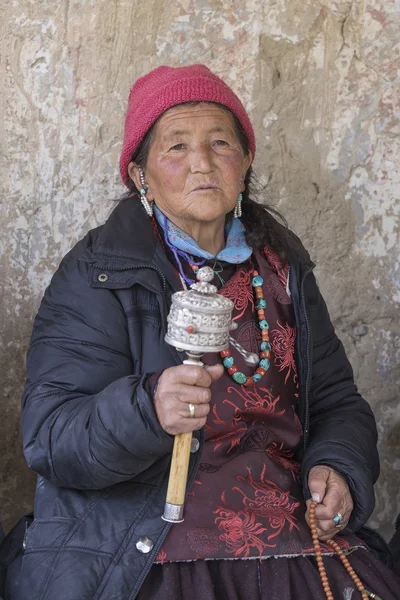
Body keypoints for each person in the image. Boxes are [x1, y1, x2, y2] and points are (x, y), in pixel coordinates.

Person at [14, 64, 400, 600]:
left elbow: (335, 400)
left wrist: (338, 465)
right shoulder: (100, 272)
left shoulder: (282, 268)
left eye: (221, 142)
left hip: (288, 541)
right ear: (139, 174)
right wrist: (147, 410)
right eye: (176, 147)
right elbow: (51, 437)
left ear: (245, 162)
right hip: (150, 548)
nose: (202, 163)